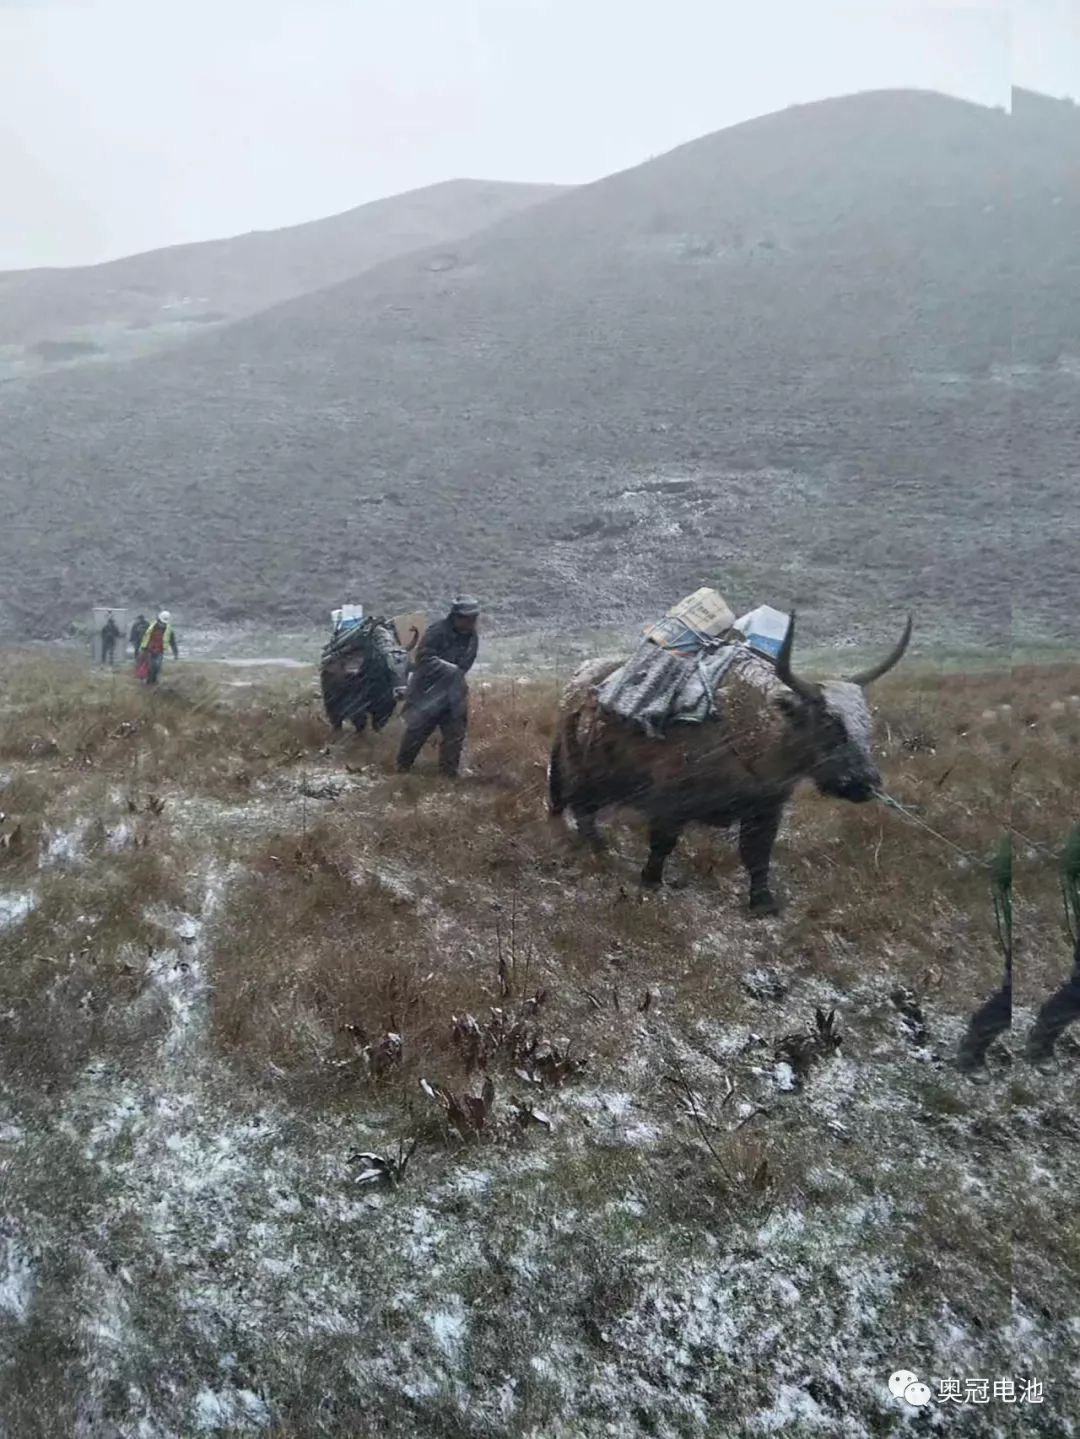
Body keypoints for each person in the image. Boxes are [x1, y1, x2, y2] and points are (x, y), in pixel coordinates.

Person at [396, 595, 479, 778]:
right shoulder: (437, 631)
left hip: (453, 694)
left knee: (454, 737)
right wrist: (449, 670)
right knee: (416, 733)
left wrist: (455, 678)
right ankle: (401, 771)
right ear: (456, 616)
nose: (471, 622)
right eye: (467, 618)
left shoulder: (472, 637)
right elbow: (424, 658)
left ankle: (447, 778)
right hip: (428, 691)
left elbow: (466, 663)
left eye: (473, 618)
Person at [139, 610, 179, 685]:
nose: (162, 625)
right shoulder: (151, 627)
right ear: (159, 620)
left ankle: (154, 682)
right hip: (150, 650)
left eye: (164, 623)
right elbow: (144, 637)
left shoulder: (169, 630)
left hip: (159, 651)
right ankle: (148, 682)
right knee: (150, 667)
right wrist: (143, 648)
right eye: (161, 623)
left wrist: (175, 653)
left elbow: (173, 642)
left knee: (157, 667)